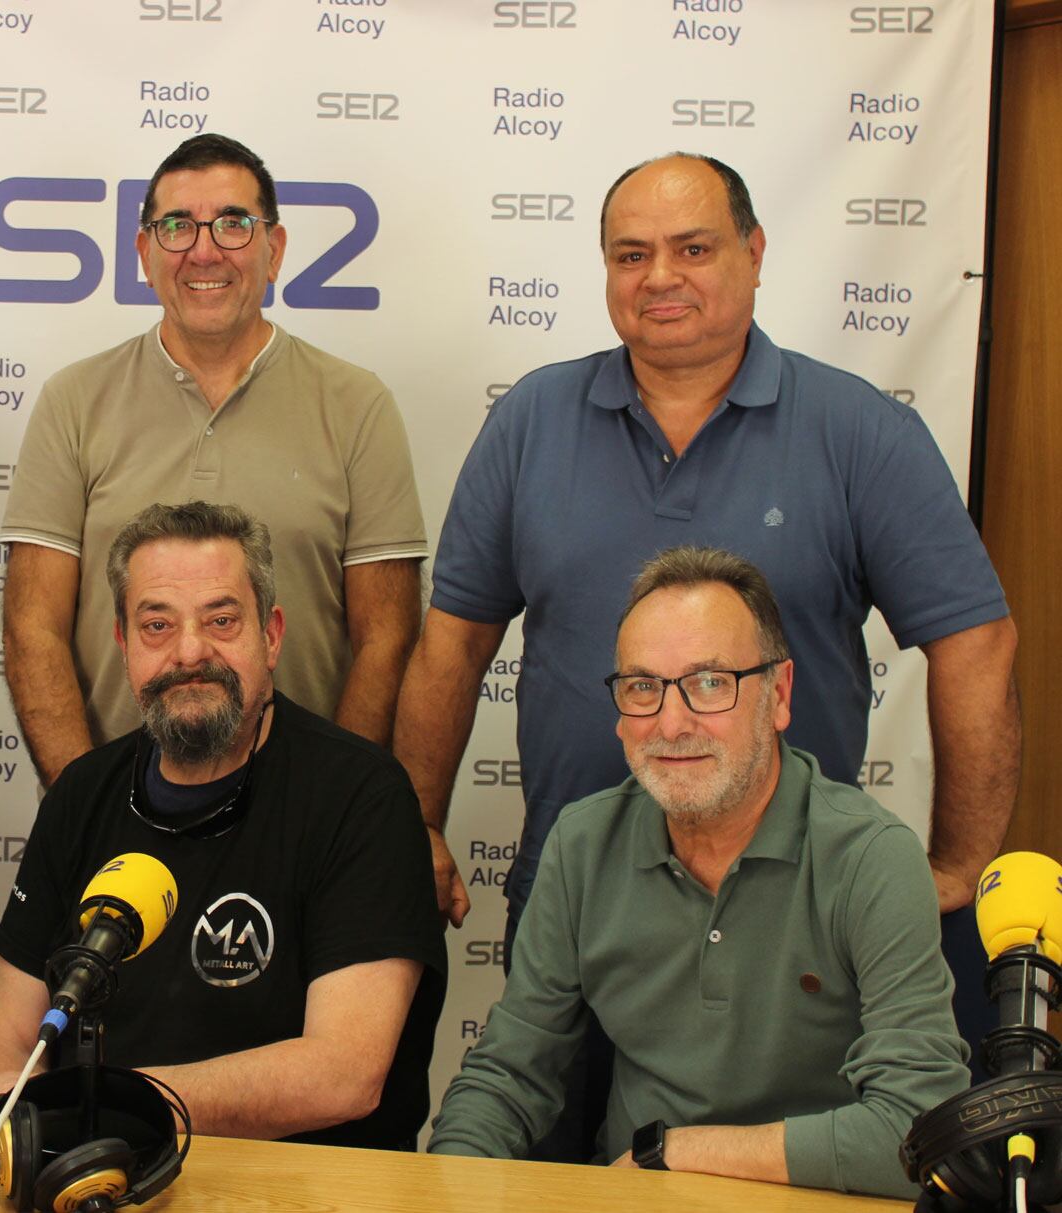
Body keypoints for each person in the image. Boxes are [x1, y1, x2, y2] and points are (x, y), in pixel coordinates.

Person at [395, 153, 1018, 1021]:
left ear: (755, 252)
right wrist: (416, 827)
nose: (660, 278)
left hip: (794, 899)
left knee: (774, 1155)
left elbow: (974, 640)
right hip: (575, 895)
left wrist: (958, 862)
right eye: (631, 254)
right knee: (551, 1145)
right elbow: (452, 645)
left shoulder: (860, 430)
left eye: (693, 248)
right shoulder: (530, 421)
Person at [427, 546, 969, 1198]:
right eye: (643, 686)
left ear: (779, 694)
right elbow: (510, 1076)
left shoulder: (872, 859)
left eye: (711, 682)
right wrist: (442, 1189)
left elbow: (922, 1130)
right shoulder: (582, 844)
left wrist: (678, 1150)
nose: (672, 722)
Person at [0, 502, 445, 1149]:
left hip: (299, 1186)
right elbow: (8, 1031)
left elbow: (343, 1074)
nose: (190, 652)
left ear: (271, 635)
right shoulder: (83, 792)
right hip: (94, 1165)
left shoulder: (362, 794)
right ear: (124, 644)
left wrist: (95, 1102)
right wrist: (27, 1130)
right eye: (157, 624)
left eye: (221, 620)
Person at [0, 134, 425, 787]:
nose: (204, 249)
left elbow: (386, 639)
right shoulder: (74, 402)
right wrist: (84, 806)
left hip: (302, 819)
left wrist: (332, 810)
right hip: (118, 809)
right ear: (143, 254)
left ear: (274, 249)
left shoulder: (355, 404)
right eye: (177, 226)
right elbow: (33, 628)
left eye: (232, 224)